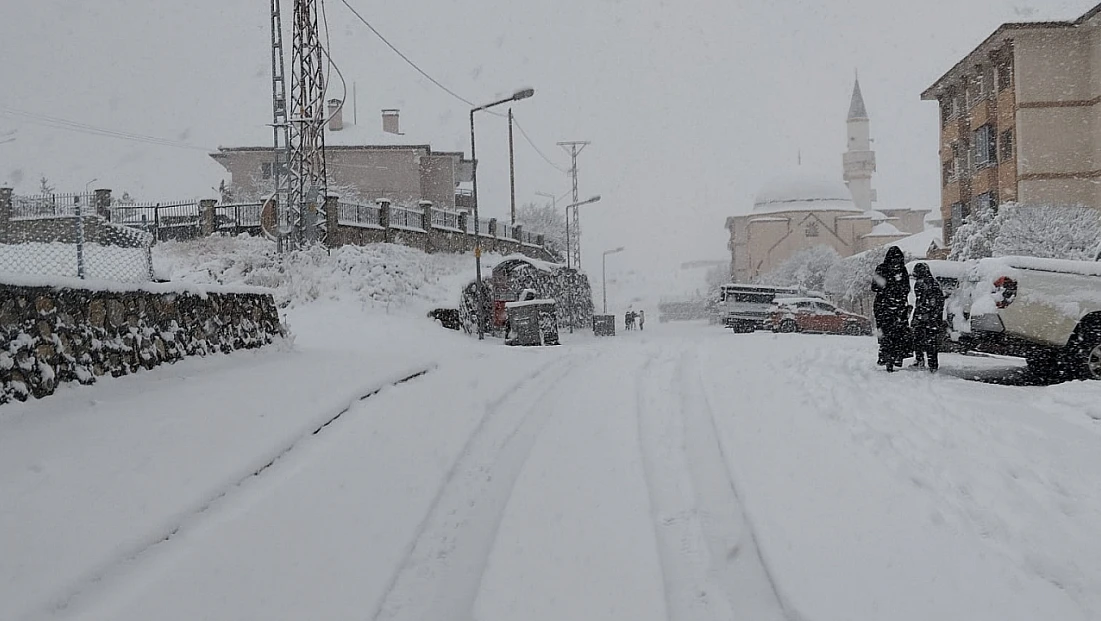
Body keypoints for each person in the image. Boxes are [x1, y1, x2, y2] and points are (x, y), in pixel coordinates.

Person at [872, 246, 911, 372]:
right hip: (897, 307)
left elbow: (874, 287)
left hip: (883, 307)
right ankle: (896, 356)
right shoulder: (901, 270)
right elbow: (906, 288)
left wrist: (886, 289)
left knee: (885, 333)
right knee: (898, 333)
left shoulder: (882, 268)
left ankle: (886, 355)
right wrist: (897, 294)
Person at [910, 262, 945, 372]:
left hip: (925, 316)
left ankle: (921, 360)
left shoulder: (922, 284)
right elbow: (939, 301)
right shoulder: (933, 283)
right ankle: (932, 364)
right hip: (931, 317)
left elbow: (922, 301)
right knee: (930, 341)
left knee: (919, 339)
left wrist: (921, 314)